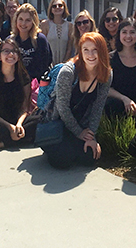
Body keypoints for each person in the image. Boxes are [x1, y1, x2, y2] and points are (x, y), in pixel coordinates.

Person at [42, 32, 112, 169]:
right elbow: (62, 108)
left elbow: (98, 107)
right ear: (80, 51)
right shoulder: (68, 72)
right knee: (62, 161)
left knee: (90, 158)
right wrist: (79, 133)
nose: (90, 55)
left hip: (81, 123)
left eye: (95, 50)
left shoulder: (106, 74)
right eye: (86, 50)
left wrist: (91, 136)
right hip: (58, 122)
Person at [0, 36, 41, 152]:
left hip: (18, 120)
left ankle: (1, 144)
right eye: (6, 51)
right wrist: (10, 127)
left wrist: (18, 124)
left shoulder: (23, 77)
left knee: (40, 120)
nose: (11, 54)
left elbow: (25, 107)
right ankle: (20, 139)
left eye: (14, 51)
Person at [104, 18, 136, 117]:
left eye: (132, 32)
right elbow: (106, 88)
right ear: (119, 34)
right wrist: (124, 99)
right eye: (124, 32)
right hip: (116, 108)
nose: (128, 36)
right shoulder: (110, 59)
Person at [12, 3, 52, 81]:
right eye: (21, 19)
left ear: (33, 22)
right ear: (16, 19)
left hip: (36, 86)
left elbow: (46, 62)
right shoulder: (11, 40)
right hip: (16, 84)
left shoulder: (40, 40)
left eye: (28, 20)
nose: (23, 23)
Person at [40, 0, 72, 65]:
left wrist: (63, 64)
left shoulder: (70, 26)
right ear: (51, 9)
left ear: (64, 8)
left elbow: (69, 48)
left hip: (64, 64)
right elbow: (42, 46)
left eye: (60, 5)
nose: (57, 7)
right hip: (48, 64)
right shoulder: (45, 24)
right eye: (54, 6)